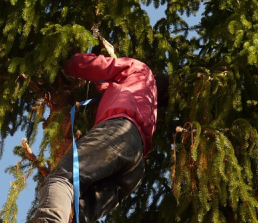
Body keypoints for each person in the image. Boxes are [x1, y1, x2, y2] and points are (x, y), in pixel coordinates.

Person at [34, 53, 166, 223]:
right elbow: (113, 88)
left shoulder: (143, 71)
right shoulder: (149, 103)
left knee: (62, 177)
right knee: (80, 213)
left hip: (120, 132)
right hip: (136, 165)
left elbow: (102, 66)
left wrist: (66, 60)